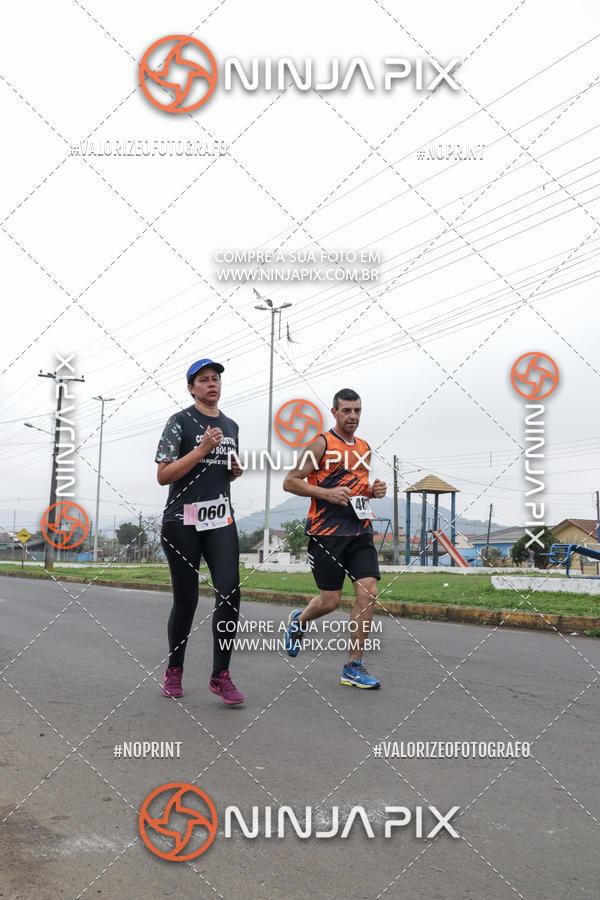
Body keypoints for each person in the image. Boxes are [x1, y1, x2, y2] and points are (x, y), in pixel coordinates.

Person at [282, 388, 386, 689]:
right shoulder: (321, 444)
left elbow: (358, 488)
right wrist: (326, 493)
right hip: (327, 534)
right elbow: (290, 481)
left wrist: (373, 491)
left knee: (369, 593)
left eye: (357, 410)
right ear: (335, 412)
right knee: (330, 601)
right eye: (346, 411)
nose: (352, 416)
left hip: (360, 531)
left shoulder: (365, 447)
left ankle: (353, 666)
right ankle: (300, 621)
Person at [155, 358, 244, 704]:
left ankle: (220, 675)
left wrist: (234, 470)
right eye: (204, 380)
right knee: (187, 600)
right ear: (191, 388)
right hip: (182, 522)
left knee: (230, 591)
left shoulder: (231, 425)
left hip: (220, 520)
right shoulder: (179, 422)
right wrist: (201, 449)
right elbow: (164, 475)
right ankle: (174, 670)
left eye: (216, 379)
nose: (212, 384)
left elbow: (220, 470)